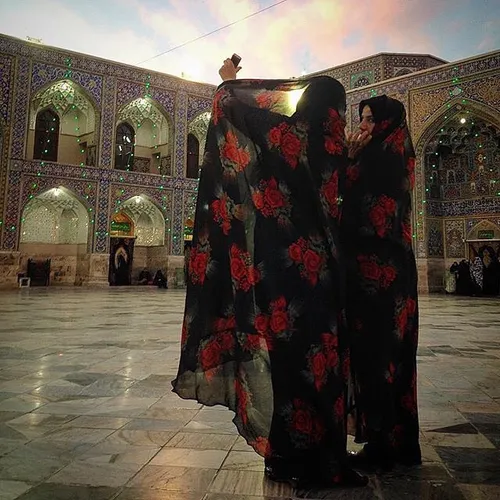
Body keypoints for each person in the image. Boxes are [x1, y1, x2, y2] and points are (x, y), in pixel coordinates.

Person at [172, 59, 367, 488]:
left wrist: (228, 82)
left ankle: (284, 455)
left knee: (289, 365)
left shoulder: (285, 138)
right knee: (319, 365)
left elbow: (235, 107)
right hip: (315, 279)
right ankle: (319, 463)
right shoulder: (329, 149)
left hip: (274, 274)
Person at [341, 96, 421, 470]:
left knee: (383, 357)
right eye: (362, 119)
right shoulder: (384, 155)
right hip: (375, 275)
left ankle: (387, 445)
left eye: (371, 119)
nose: (364, 127)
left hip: (382, 279)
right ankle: (387, 441)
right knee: (378, 356)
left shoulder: (387, 158)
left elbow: (366, 211)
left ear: (389, 122)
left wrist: (348, 161)